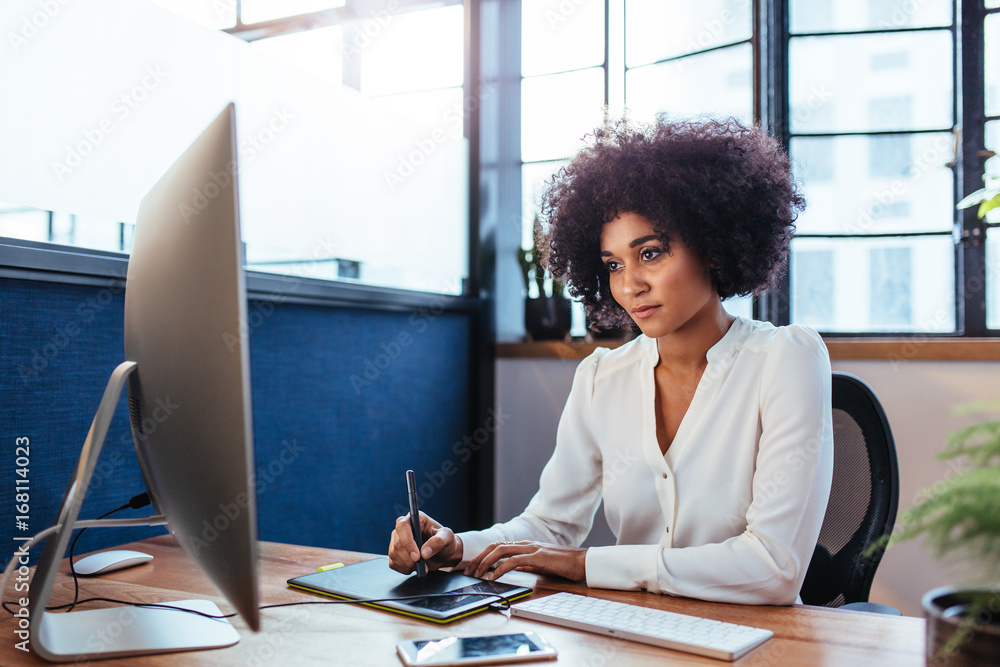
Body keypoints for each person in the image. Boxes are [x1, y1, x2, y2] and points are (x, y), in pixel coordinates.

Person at [388, 116, 834, 605]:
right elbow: (550, 527)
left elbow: (773, 569)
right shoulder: (602, 378)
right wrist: (455, 547)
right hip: (632, 633)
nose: (629, 286)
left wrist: (586, 565)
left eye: (652, 253)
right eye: (614, 265)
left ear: (712, 245)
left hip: (758, 640)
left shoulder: (785, 360)